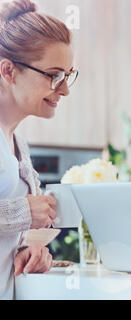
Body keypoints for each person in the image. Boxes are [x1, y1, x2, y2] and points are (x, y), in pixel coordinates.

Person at [0, 0, 78, 299]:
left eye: (68, 75)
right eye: (54, 74)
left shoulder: (17, 142)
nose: (65, 88)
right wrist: (22, 212)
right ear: (8, 71)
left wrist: (28, 249)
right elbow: (15, 213)